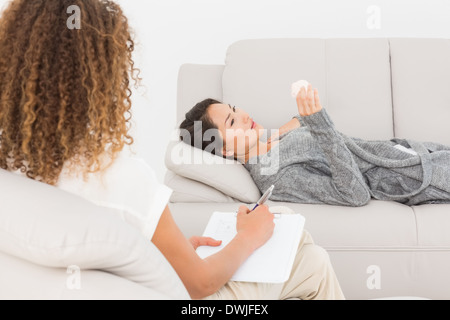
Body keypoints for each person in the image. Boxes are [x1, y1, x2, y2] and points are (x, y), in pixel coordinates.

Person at [0, 0, 345, 300]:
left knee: (310, 260)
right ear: (101, 79)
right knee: (300, 245)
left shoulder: (10, 165)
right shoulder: (115, 175)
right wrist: (248, 237)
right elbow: (200, 283)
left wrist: (157, 258)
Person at [180, 86, 450, 207]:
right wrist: (319, 124)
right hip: (412, 175)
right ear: (224, 149)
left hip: (414, 151)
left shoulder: (269, 143)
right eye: (232, 121)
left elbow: (301, 123)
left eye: (236, 109)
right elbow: (355, 194)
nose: (244, 116)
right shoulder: (273, 175)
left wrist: (282, 131)